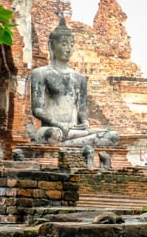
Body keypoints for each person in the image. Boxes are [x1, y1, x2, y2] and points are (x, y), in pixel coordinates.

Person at [28, 18, 119, 146]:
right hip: (52, 129)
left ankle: (68, 145)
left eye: (71, 45)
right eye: (64, 44)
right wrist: (58, 124)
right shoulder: (41, 73)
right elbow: (37, 109)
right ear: (51, 45)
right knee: (54, 135)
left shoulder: (79, 78)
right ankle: (78, 144)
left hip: (75, 131)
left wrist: (85, 122)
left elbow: (81, 110)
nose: (68, 49)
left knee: (112, 136)